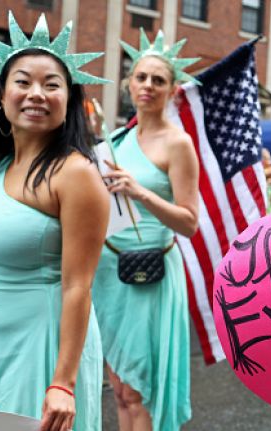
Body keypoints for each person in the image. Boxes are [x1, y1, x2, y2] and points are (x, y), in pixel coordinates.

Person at [0, 12, 110, 430]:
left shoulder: (76, 174)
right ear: (1, 94)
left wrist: (63, 383)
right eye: (23, 81)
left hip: (43, 345)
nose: (37, 94)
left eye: (52, 85)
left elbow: (79, 285)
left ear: (69, 100)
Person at [92, 29, 199, 431]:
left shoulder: (178, 144)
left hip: (149, 275)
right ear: (129, 83)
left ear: (173, 89)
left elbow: (189, 222)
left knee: (140, 391)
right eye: (141, 77)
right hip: (108, 273)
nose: (148, 85)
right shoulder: (114, 140)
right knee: (119, 389)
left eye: (158, 79)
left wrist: (140, 192)